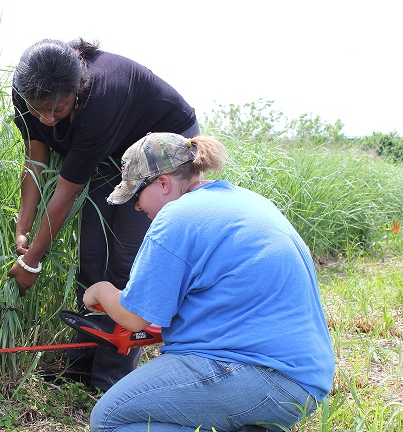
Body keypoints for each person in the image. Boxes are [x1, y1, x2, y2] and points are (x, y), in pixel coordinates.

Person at [83, 132, 335, 432]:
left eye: (136, 194)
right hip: (304, 383)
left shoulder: (176, 215)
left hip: (257, 374)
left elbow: (134, 318)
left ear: (163, 183)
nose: (136, 207)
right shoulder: (246, 200)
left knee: (109, 419)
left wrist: (100, 290)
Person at [7, 38, 199, 391]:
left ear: (77, 91)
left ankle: (111, 378)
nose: (47, 119)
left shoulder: (100, 100)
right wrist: (23, 227)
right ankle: (80, 367)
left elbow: (66, 190)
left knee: (124, 261)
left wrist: (32, 261)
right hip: (114, 150)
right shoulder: (28, 91)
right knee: (92, 256)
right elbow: (36, 158)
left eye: (59, 109)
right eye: (39, 110)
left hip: (158, 150)